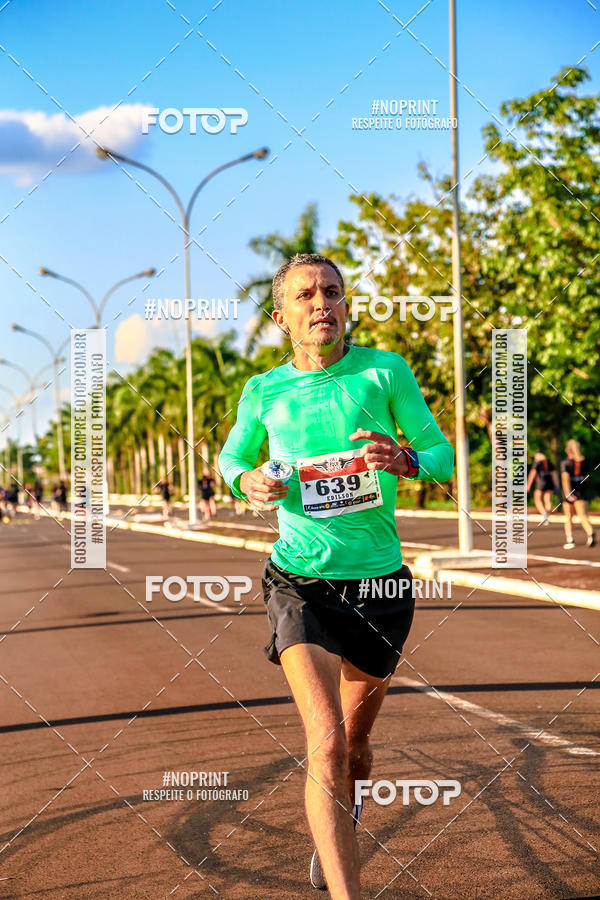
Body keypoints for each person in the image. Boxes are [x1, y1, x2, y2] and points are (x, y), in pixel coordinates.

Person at [219, 253, 454, 898]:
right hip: (300, 582)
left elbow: (442, 456)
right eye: (305, 295)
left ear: (346, 304)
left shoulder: (384, 371)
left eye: (332, 291)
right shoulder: (264, 391)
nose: (321, 302)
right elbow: (231, 457)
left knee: (353, 747)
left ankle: (346, 804)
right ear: (282, 317)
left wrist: (405, 459)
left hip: (381, 587)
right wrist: (250, 479)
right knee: (322, 743)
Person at [561, 439, 596, 549]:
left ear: (568, 450)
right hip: (582, 491)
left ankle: (570, 539)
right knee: (583, 515)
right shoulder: (584, 461)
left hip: (571, 492)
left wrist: (568, 493)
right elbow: (587, 478)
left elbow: (565, 478)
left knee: (568, 517)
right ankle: (590, 532)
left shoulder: (566, 463)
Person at [526, 451, 559, 526]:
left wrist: (528, 485)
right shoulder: (549, 463)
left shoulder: (537, 463)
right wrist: (556, 485)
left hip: (541, 482)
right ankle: (546, 516)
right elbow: (554, 475)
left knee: (537, 499)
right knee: (548, 500)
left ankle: (544, 514)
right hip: (550, 483)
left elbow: (532, 474)